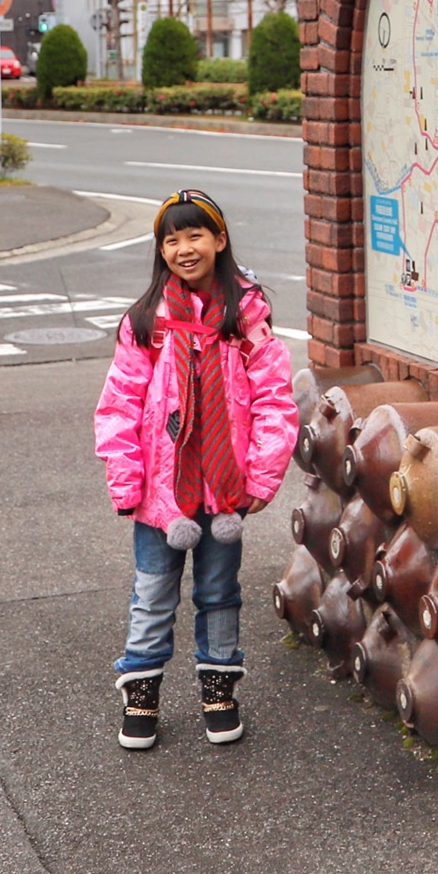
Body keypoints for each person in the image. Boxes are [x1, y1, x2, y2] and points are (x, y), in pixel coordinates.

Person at [94, 189, 297, 751]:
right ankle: (141, 691)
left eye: (195, 235)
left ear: (220, 240)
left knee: (219, 592)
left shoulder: (246, 316)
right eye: (172, 239)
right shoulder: (145, 323)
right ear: (161, 250)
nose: (184, 248)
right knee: (153, 592)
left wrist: (261, 477)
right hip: (160, 494)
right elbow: (119, 406)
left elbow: (275, 400)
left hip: (225, 487)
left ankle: (219, 687)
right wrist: (126, 479)